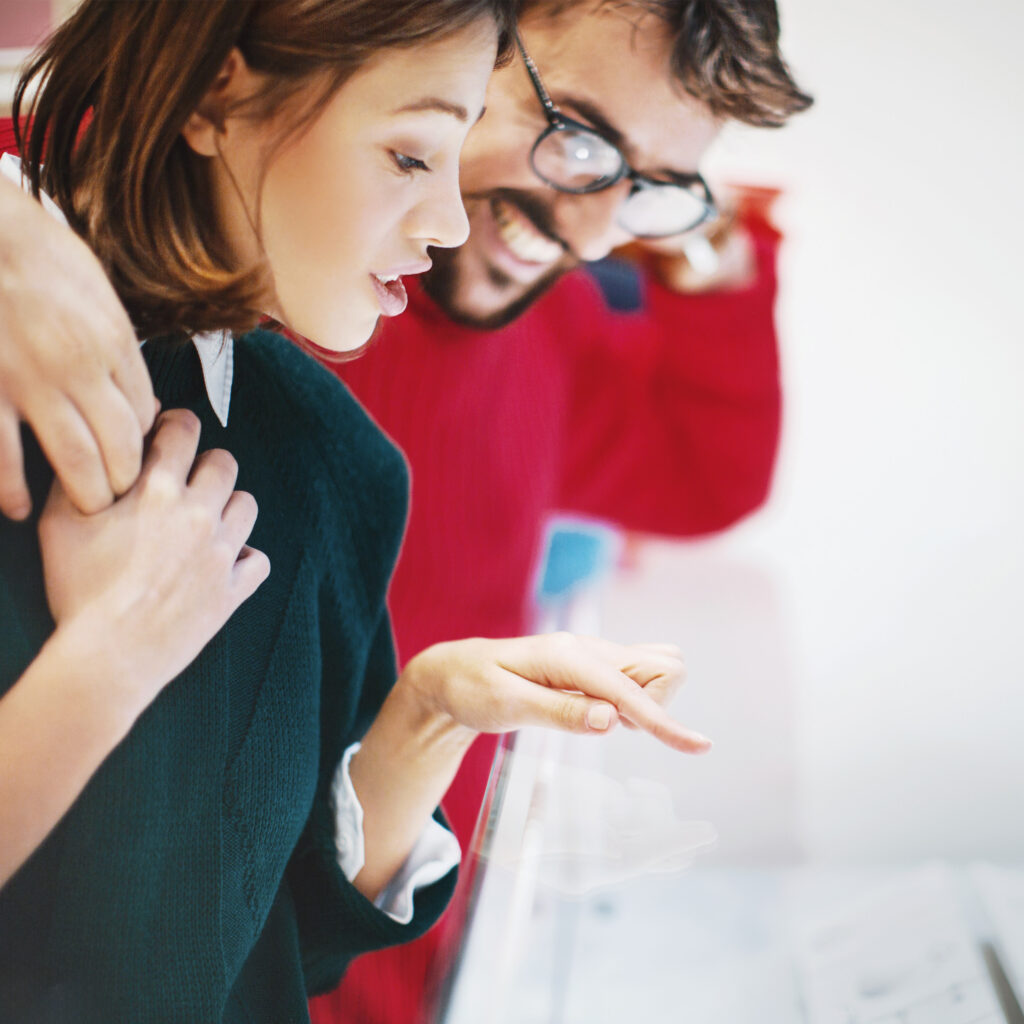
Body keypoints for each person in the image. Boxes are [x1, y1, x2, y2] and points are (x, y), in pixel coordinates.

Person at [0, 2, 811, 1020]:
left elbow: (707, 472)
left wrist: (429, 713)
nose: (595, 229)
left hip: (345, 957)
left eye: (651, 187)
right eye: (581, 139)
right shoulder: (93, 289)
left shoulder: (395, 420)